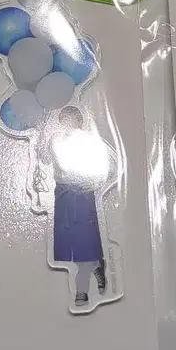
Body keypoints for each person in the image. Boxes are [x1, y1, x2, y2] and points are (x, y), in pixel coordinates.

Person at [36, 106, 111, 307]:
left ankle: (82, 291)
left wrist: (94, 182)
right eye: (65, 120)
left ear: (79, 121)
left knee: (84, 241)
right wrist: (42, 131)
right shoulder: (56, 140)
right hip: (63, 195)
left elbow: (105, 165)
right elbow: (43, 158)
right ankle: (96, 264)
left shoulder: (89, 141)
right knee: (67, 244)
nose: (68, 124)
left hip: (83, 195)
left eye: (72, 120)